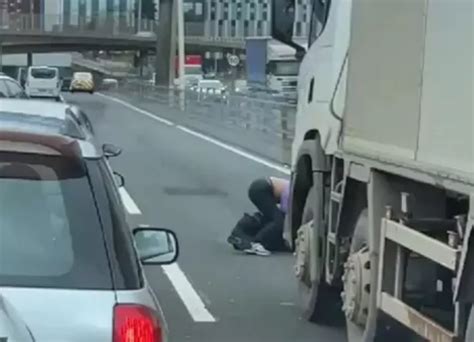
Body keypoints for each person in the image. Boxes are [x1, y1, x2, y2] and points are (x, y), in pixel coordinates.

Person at [228, 177, 290, 256]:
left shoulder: (293, 188)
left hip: (261, 187)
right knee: (278, 220)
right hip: (261, 189)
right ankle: (257, 243)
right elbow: (286, 212)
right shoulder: (291, 192)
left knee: (272, 218)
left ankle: (246, 232)